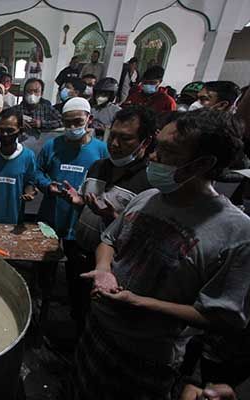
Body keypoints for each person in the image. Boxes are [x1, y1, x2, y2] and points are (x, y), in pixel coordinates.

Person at [75, 109, 250, 400]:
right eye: (157, 147)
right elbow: (108, 240)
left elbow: (221, 316)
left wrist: (138, 302)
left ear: (203, 163)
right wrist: (104, 268)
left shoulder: (236, 233)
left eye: (168, 152)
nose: (153, 157)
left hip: (148, 355)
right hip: (98, 331)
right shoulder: (147, 198)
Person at [62, 106, 155, 332]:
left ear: (146, 141)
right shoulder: (98, 166)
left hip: (111, 266)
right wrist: (79, 202)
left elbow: (146, 236)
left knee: (101, 316)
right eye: (112, 135)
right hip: (79, 250)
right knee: (77, 304)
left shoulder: (149, 181)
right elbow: (87, 203)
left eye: (125, 139)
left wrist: (112, 216)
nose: (114, 144)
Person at [35, 97, 108, 317]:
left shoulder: (101, 151)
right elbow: (37, 173)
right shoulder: (52, 146)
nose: (72, 128)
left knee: (77, 275)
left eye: (77, 122)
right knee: (44, 269)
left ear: (89, 119)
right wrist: (49, 187)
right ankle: (40, 309)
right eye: (67, 123)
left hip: (81, 221)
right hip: (51, 217)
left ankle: (74, 313)